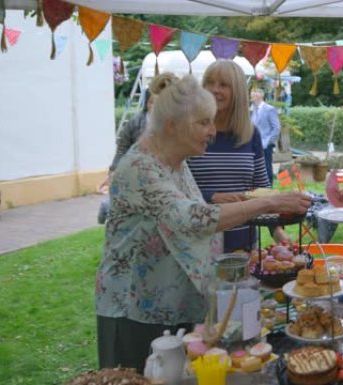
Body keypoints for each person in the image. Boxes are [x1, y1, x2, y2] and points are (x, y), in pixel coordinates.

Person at [96, 74, 311, 373]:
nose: (212, 131)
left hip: (175, 306)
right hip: (135, 313)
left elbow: (181, 212)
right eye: (203, 123)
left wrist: (224, 201)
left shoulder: (175, 160)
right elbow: (190, 221)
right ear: (171, 125)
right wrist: (268, 202)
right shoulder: (139, 167)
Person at [188, 60, 288, 252]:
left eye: (223, 84)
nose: (214, 89)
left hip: (243, 243)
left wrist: (277, 230)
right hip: (198, 243)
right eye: (209, 82)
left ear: (238, 92)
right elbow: (174, 191)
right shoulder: (190, 132)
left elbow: (262, 189)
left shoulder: (251, 134)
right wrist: (212, 197)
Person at [98, 86, 161, 224]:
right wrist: (113, 171)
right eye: (152, 102)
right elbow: (122, 148)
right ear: (146, 104)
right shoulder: (135, 122)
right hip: (137, 171)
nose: (155, 107)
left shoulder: (173, 124)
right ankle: (108, 206)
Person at [250, 88, 281, 184]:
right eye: (252, 92)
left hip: (265, 145)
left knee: (267, 168)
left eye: (256, 91)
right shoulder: (252, 109)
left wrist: (268, 142)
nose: (253, 94)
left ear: (261, 95)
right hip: (253, 145)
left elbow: (276, 128)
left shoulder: (269, 109)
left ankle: (268, 188)